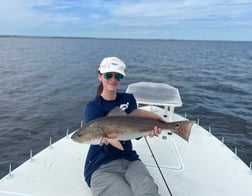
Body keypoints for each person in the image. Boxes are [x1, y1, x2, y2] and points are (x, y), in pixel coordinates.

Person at [84, 57, 161, 196]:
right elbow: (97, 135)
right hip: (102, 165)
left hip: (129, 159)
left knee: (149, 191)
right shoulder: (93, 106)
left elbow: (135, 133)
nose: (113, 79)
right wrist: (104, 138)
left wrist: (147, 131)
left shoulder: (128, 99)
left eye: (118, 76)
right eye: (108, 75)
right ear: (100, 76)